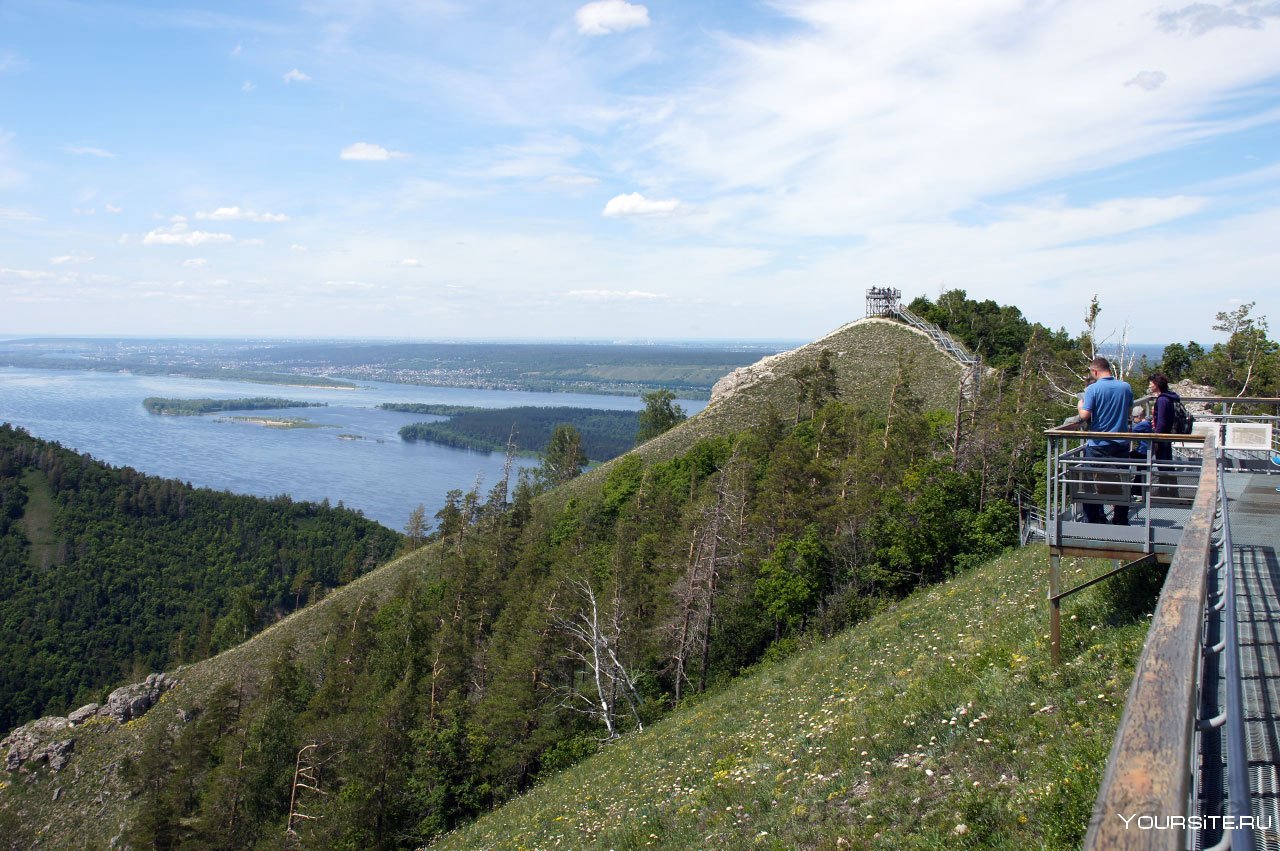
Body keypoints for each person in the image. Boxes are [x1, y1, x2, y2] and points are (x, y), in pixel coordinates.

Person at [1078, 357, 1134, 525]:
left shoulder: (1093, 389)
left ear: (1095, 371)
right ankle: (1120, 519)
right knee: (1121, 482)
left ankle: (1095, 520)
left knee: (1090, 483)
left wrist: (1080, 405)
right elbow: (1129, 411)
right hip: (1121, 444)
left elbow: (1084, 416)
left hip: (1098, 445)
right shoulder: (1125, 387)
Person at [1147, 372, 1179, 463]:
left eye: (1150, 384)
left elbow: (1161, 421)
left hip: (1162, 436)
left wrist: (1156, 438)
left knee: (1163, 462)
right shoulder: (1168, 397)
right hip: (1167, 434)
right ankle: (1167, 477)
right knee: (1166, 461)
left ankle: (1166, 477)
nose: (1149, 386)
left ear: (1156, 384)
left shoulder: (1162, 400)